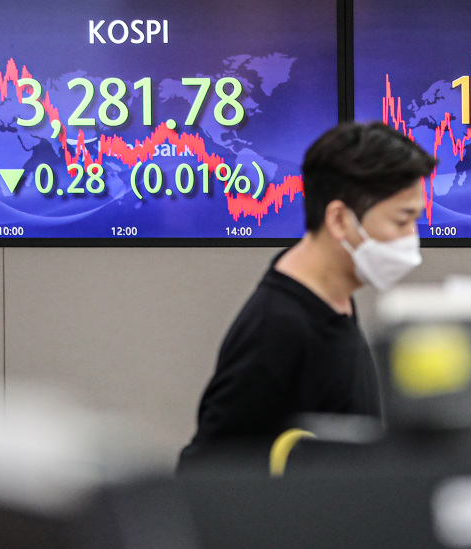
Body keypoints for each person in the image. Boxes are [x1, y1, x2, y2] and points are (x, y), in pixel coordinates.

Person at [177, 121, 437, 473]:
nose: (410, 238)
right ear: (340, 219)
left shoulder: (336, 300)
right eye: (402, 221)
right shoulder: (277, 328)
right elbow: (208, 470)